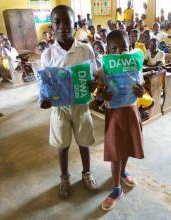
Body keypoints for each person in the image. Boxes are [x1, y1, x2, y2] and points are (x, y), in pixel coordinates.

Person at [40, 5, 98, 199]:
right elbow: (44, 84)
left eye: (67, 22)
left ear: (75, 25)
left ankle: (87, 173)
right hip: (60, 108)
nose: (63, 26)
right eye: (58, 22)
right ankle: (64, 177)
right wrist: (44, 99)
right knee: (62, 144)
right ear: (52, 26)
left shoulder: (85, 49)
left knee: (84, 142)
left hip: (81, 105)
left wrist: (92, 85)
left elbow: (94, 76)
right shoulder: (47, 55)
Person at [96, 30, 145, 211]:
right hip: (115, 115)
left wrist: (142, 91)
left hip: (131, 112)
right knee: (116, 152)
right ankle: (116, 189)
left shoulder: (135, 66)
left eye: (123, 48)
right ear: (107, 51)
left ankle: (123, 172)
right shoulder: (103, 70)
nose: (119, 52)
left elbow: (141, 87)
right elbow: (98, 95)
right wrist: (103, 94)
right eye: (114, 49)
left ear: (129, 48)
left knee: (127, 146)